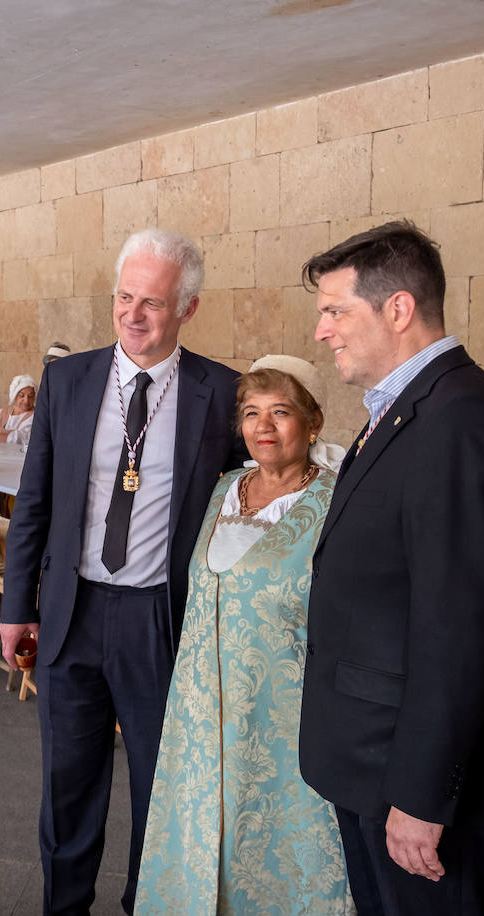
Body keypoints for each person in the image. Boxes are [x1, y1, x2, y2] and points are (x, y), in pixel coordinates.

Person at [0, 228, 248, 914]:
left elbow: (244, 508)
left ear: (188, 310)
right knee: (68, 789)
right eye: (124, 297)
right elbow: (35, 502)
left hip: (160, 621)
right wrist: (16, 603)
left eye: (153, 303)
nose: (134, 315)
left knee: (159, 791)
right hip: (72, 614)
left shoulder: (221, 393)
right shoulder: (68, 379)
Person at [298, 221, 484, 915]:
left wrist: (421, 796)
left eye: (336, 310)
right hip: (372, 758)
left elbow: (458, 633)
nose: (322, 331)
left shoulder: (460, 422)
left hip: (410, 779)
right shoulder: (410, 408)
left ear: (397, 309)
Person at [136, 356, 352, 913]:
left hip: (285, 722)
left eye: (281, 412)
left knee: (280, 866)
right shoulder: (223, 490)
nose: (264, 427)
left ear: (313, 421)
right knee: (203, 843)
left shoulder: (340, 501)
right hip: (202, 717)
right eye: (252, 413)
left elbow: (393, 574)